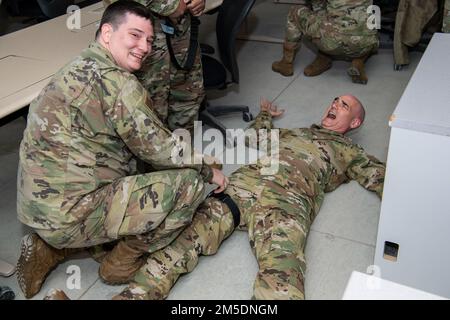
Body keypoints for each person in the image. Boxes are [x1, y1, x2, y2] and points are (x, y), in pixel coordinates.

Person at [16, 1, 227, 299]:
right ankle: (120, 261)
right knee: (189, 184)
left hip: (36, 208)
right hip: (69, 215)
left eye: (150, 40)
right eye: (135, 35)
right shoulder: (120, 84)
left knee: (130, 164)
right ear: (106, 32)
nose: (144, 46)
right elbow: (159, 149)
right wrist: (208, 170)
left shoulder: (75, 67)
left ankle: (50, 247)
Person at [113, 94, 386, 300]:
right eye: (336, 101)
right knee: (183, 243)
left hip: (286, 203)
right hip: (242, 187)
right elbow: (255, 137)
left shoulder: (351, 152)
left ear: (355, 122)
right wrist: (266, 114)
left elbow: (382, 179)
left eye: (344, 106)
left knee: (282, 273)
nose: (335, 105)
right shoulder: (298, 133)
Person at [104, 0, 206, 133]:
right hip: (141, 31)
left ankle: (183, 150)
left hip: (182, 28)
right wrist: (172, 4)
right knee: (149, 108)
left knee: (188, 97)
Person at [272, 0, 379, 84]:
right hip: (367, 43)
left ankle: (286, 64)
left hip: (334, 41)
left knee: (295, 11)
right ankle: (357, 60)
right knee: (366, 23)